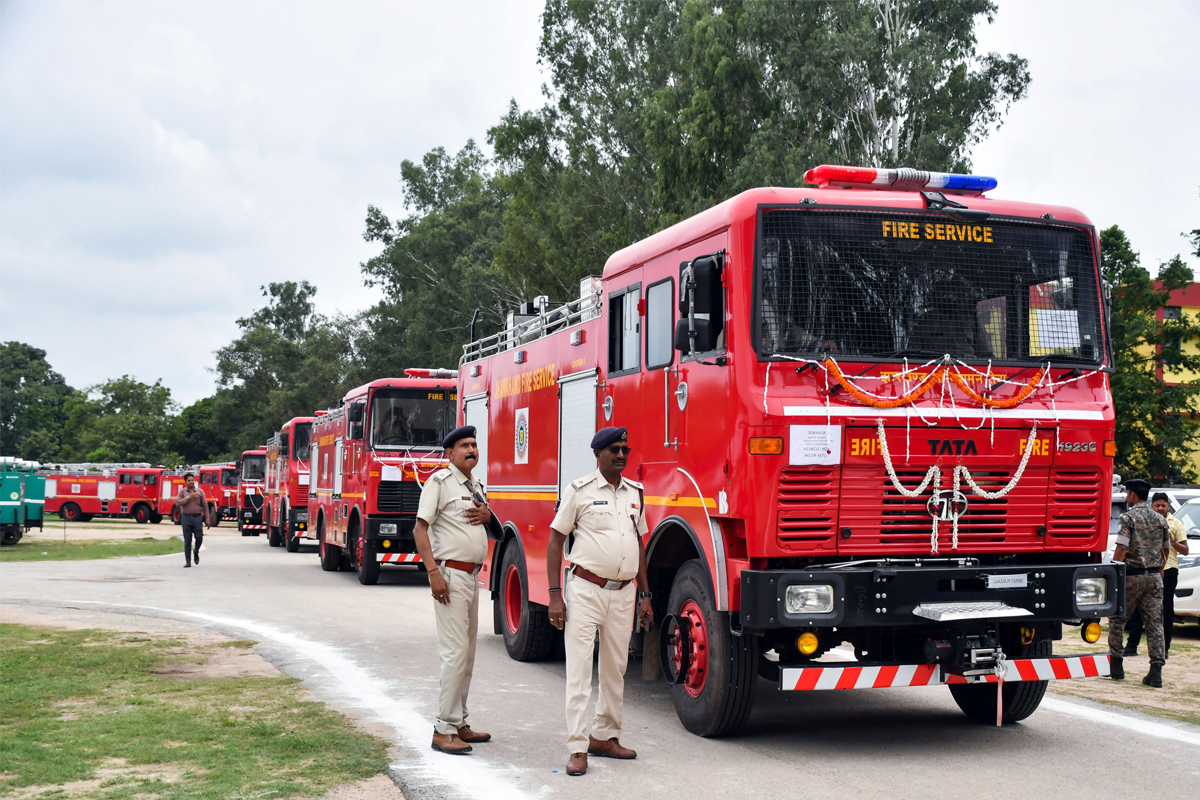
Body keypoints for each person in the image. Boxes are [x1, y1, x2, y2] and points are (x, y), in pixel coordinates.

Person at [547, 427, 654, 777]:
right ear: (598, 454)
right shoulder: (578, 491)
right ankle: (578, 747)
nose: (621, 454)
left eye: (625, 448)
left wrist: (645, 594)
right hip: (585, 590)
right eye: (613, 449)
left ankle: (605, 736)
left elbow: (639, 544)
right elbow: (554, 542)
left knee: (615, 670)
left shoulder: (635, 493)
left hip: (623, 593)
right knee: (579, 671)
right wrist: (554, 596)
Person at [412, 425, 497, 755]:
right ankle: (443, 728)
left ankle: (459, 721)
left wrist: (489, 516)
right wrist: (433, 572)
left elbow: (492, 528)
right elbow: (420, 529)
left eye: (475, 445)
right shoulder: (440, 482)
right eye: (465, 445)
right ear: (450, 453)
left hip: (471, 577)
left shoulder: (475, 484)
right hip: (449, 576)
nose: (472, 450)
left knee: (468, 653)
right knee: (455, 652)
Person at [1108, 478, 1171, 687]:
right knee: (1155, 624)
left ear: (1131, 495)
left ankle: (1116, 667)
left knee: (1118, 620)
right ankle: (1156, 672)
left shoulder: (1128, 518)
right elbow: (1166, 548)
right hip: (1154, 577)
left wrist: (1113, 570)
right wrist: (1160, 568)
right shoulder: (1160, 518)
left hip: (1130, 577)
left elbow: (1122, 548)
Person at [1124, 492, 1189, 657]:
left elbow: (1186, 550)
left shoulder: (1176, 524)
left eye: (1163, 505)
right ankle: (1132, 646)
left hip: (1168, 570)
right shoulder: (1145, 521)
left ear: (1168, 507)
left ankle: (1163, 648)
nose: (1160, 508)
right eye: (1157, 505)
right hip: (1146, 569)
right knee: (1138, 608)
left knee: (1165, 610)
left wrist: (1172, 541)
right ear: (1151, 506)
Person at [176, 472, 209, 568]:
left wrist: (207, 518)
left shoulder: (200, 492)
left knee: (199, 537)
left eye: (192, 480)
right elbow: (177, 503)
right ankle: (188, 561)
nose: (191, 482)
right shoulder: (182, 492)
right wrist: (188, 498)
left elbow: (205, 506)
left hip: (197, 517)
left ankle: (196, 551)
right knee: (187, 540)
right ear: (185, 482)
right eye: (189, 480)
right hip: (186, 517)